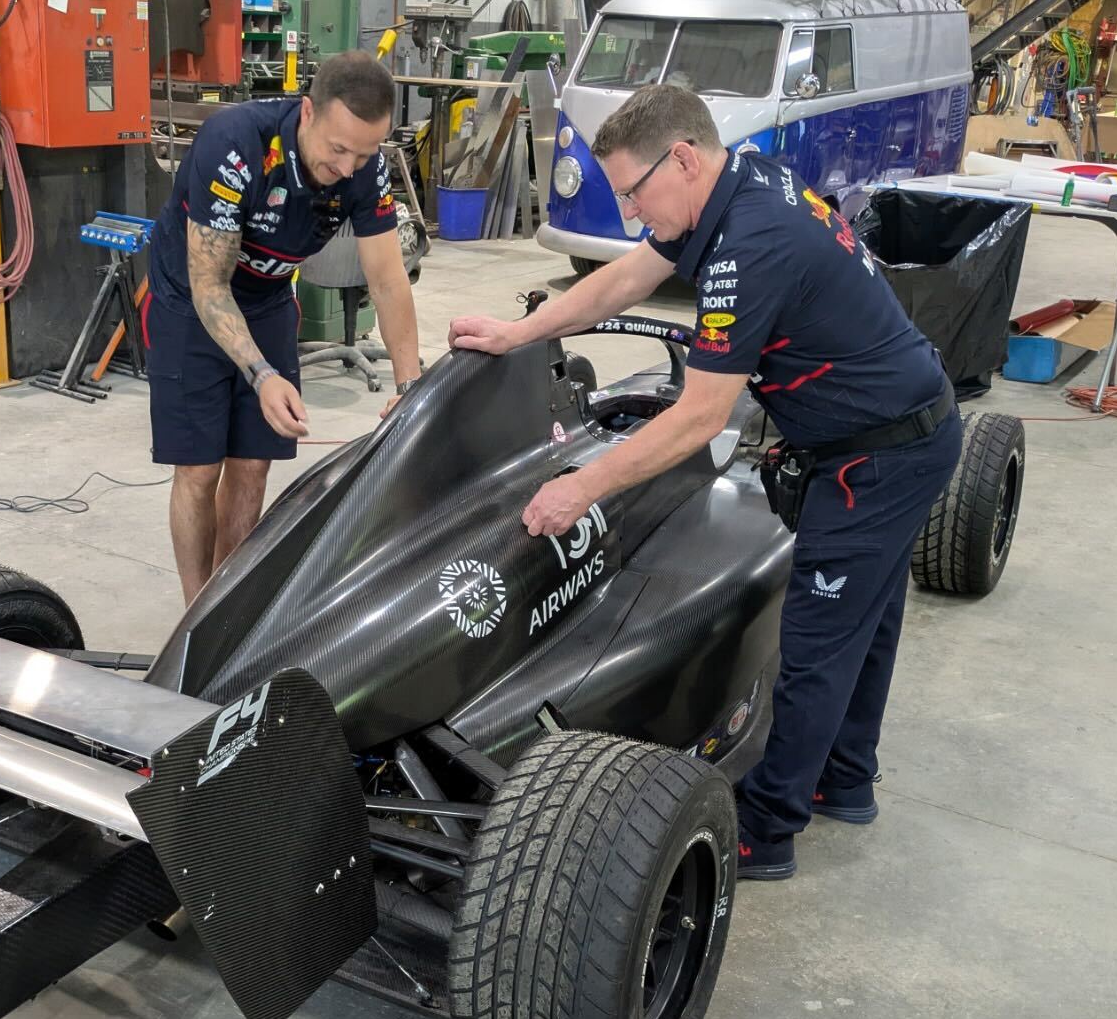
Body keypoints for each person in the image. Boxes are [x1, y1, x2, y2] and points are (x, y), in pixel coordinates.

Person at [446, 83, 962, 881]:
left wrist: (582, 486)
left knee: (816, 643)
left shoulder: (750, 245)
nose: (630, 214)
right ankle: (845, 778)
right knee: (865, 619)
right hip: (899, 426)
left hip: (877, 455)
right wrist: (520, 331)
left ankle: (766, 829)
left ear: (682, 159)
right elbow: (626, 278)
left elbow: (697, 418)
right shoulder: (738, 181)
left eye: (633, 193)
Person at [145, 50, 423, 604]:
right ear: (308, 113)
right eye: (338, 149)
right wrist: (262, 375)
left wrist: (410, 386)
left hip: (269, 300)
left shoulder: (365, 167)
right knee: (199, 471)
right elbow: (210, 287)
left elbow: (389, 281)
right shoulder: (234, 146)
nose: (348, 168)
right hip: (190, 303)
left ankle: (227, 608)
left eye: (364, 153)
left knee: (252, 465)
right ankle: (194, 615)